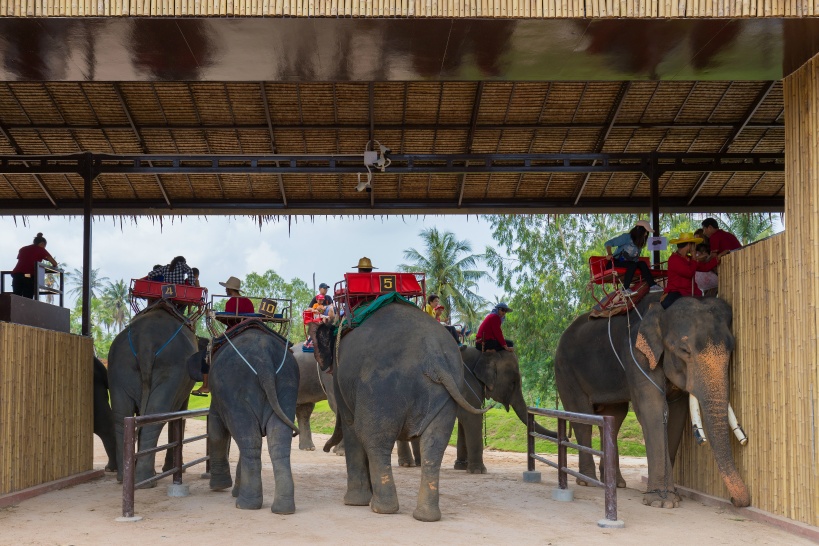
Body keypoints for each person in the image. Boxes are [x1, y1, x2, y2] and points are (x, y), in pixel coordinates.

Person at [603, 220, 663, 297]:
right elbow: (608, 243)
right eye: (644, 232)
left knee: (642, 263)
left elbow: (635, 258)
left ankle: (652, 285)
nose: (645, 234)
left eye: (647, 233)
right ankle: (625, 288)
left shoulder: (639, 243)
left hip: (629, 263)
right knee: (632, 265)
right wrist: (609, 254)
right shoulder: (626, 237)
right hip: (616, 262)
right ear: (638, 229)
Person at [662, 233, 720, 310]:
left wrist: (717, 258)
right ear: (689, 245)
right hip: (677, 291)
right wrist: (694, 257)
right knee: (666, 306)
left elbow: (705, 268)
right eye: (693, 245)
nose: (695, 247)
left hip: (691, 291)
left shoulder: (688, 259)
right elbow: (689, 273)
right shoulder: (674, 259)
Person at [11, 233, 58, 299]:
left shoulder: (23, 249)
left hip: (16, 274)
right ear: (42, 243)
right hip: (28, 275)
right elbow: (54, 263)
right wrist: (54, 266)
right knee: (27, 296)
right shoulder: (41, 249)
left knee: (16, 295)